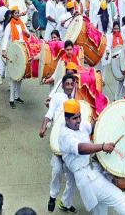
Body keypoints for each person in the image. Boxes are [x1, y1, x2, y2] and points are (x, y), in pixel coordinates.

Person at [58, 99, 125, 214]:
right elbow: (80, 148)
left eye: (79, 116)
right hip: (88, 178)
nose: (79, 120)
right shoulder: (64, 135)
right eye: (75, 118)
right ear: (66, 119)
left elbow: (93, 127)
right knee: (119, 199)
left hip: (93, 171)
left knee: (101, 212)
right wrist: (103, 146)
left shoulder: (80, 125)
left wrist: (107, 114)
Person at [39, 74, 77, 213]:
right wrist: (43, 127)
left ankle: (66, 202)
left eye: (71, 84)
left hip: (71, 144)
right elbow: (49, 115)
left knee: (72, 177)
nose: (69, 87)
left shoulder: (77, 102)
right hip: (58, 141)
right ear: (62, 86)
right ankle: (53, 196)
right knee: (56, 171)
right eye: (66, 84)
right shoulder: (57, 98)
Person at [1, 6, 30, 108]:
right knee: (14, 76)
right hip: (13, 52)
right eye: (16, 13)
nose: (17, 14)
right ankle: (11, 99)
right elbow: (5, 38)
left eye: (18, 13)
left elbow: (29, 35)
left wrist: (27, 33)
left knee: (20, 75)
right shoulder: (9, 25)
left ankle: (17, 96)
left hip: (22, 51)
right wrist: (4, 50)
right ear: (12, 14)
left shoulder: (22, 24)